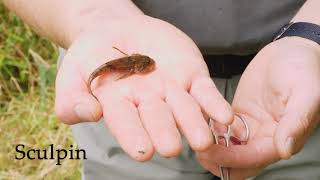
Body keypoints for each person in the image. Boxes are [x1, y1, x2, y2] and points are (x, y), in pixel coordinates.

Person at [4, 0, 320, 179]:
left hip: (298, 81)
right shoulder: (126, 67)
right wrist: (93, 18)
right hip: (132, 106)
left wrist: (312, 35)